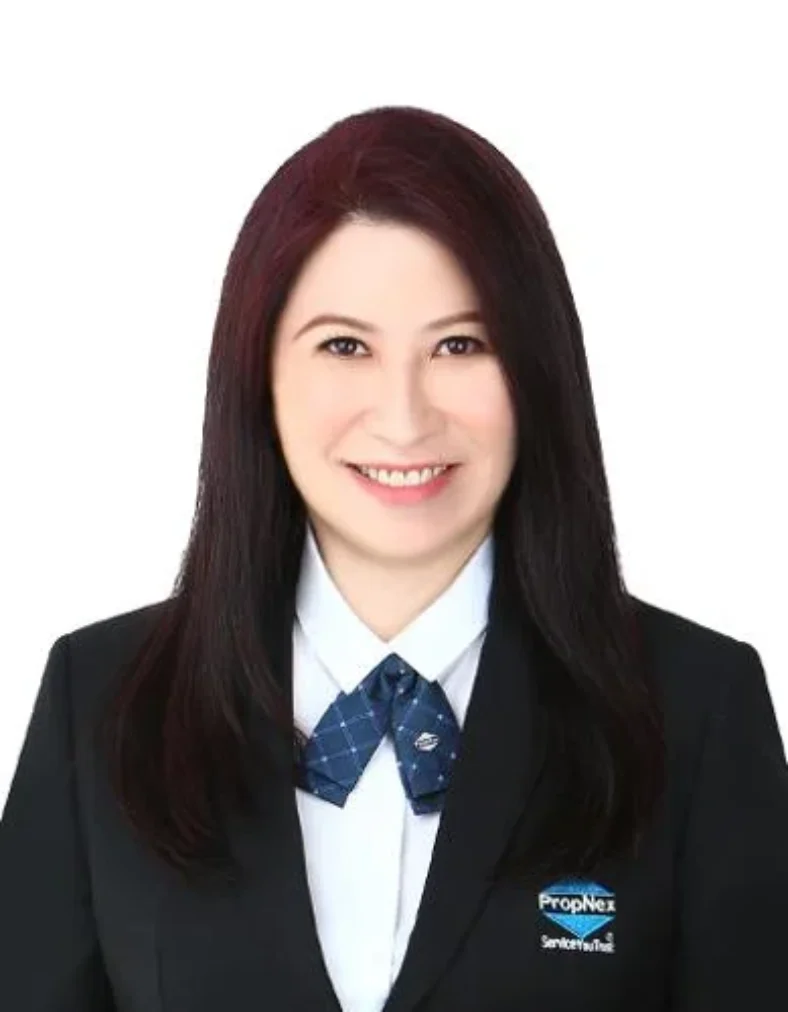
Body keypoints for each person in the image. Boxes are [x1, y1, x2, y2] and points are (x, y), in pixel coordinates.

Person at [1, 104, 786, 1012]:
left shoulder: (696, 711)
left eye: (460, 345)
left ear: (535, 373)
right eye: (345, 346)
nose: (405, 418)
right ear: (260, 377)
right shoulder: (101, 704)